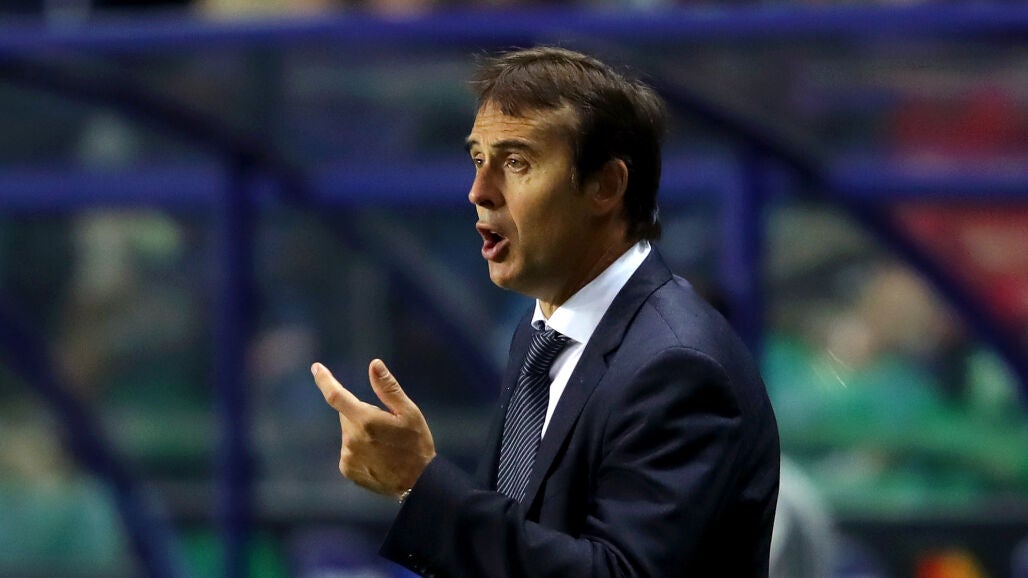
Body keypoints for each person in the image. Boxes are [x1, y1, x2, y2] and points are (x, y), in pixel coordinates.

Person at [312, 46, 780, 577]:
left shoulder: (677, 365)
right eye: (477, 160)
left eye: (516, 162)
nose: (479, 192)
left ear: (606, 186)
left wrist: (419, 484)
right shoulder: (541, 334)